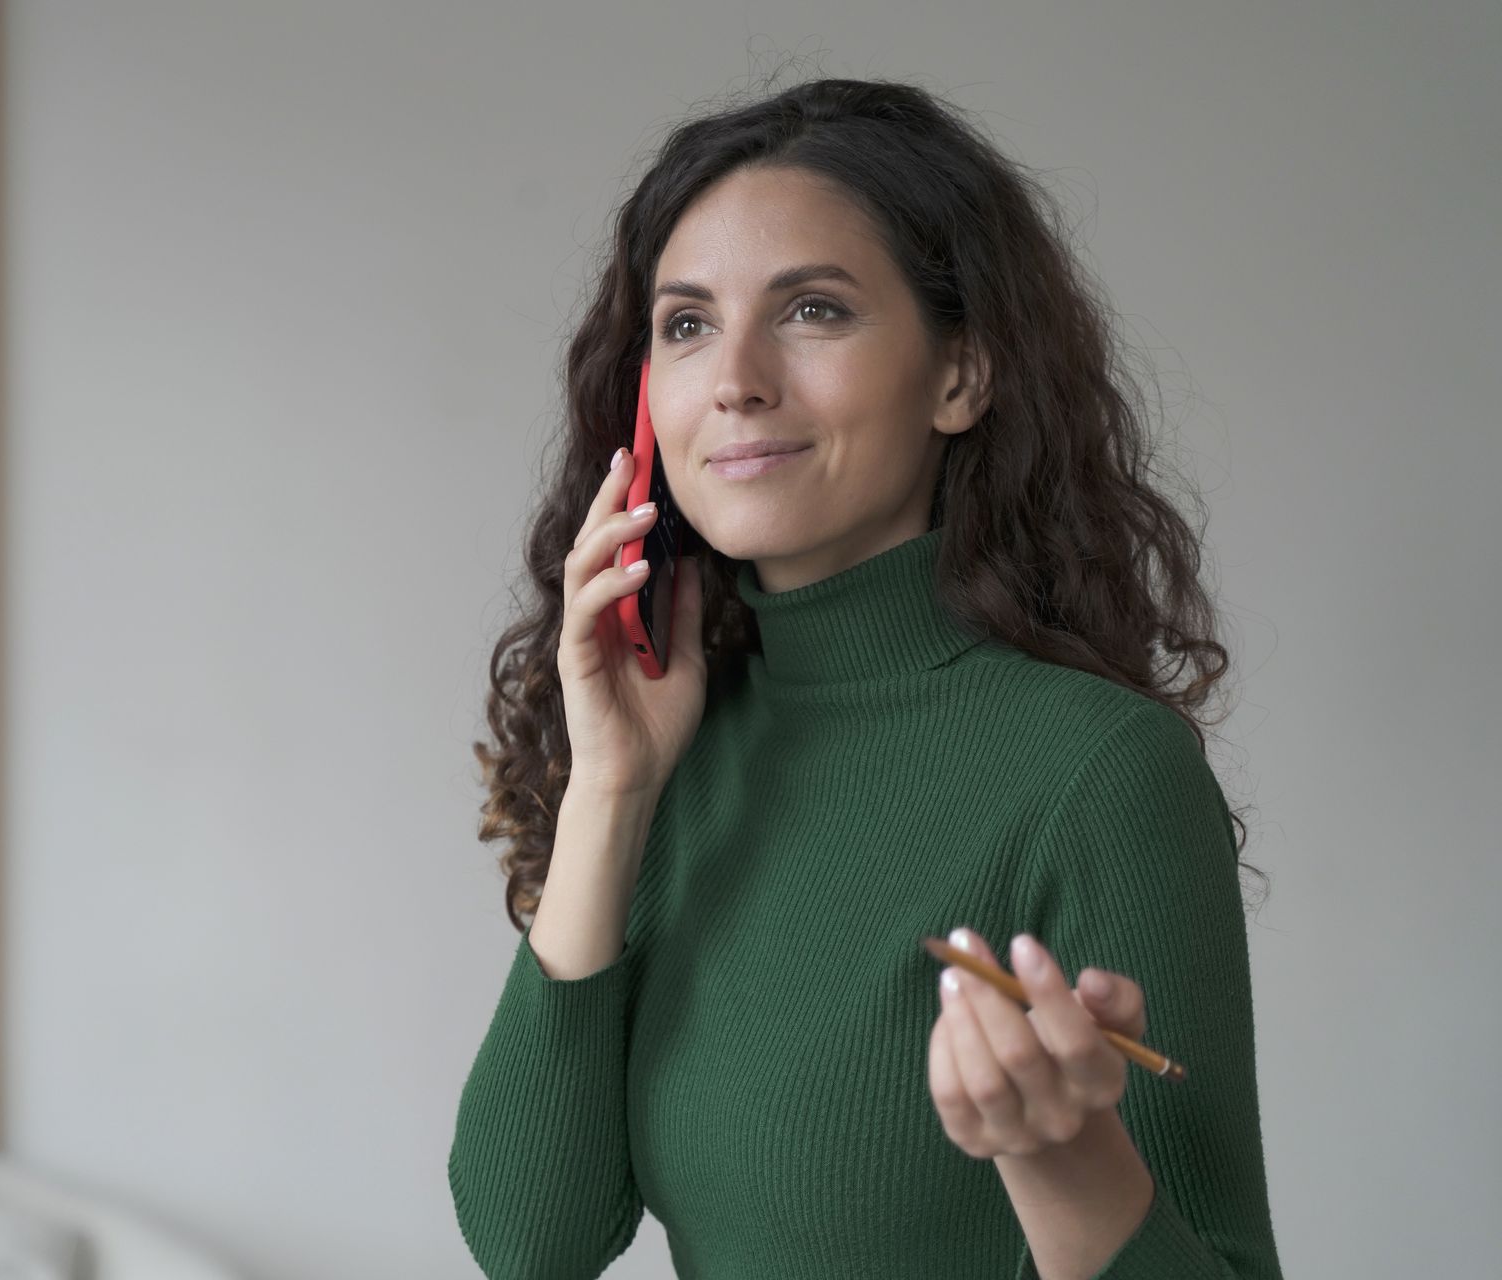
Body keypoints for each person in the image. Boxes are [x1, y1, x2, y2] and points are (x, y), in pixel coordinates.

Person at [448, 75, 1282, 1280]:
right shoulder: (680, 753)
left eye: (815, 310)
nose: (734, 376)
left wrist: (1060, 1157)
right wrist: (612, 793)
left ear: (962, 376)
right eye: (685, 324)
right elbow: (533, 1241)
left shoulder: (1099, 773)